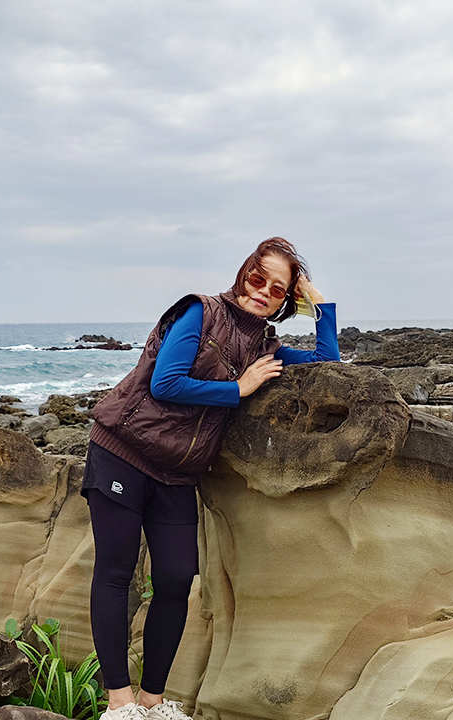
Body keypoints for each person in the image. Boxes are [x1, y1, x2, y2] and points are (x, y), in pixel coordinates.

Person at [82, 237, 340, 720]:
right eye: (257, 278)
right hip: (122, 452)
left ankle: (153, 702)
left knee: (177, 579)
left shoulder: (267, 347)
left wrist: (321, 303)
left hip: (178, 473)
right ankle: (119, 702)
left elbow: (329, 362)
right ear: (244, 273)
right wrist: (239, 388)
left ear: (287, 301)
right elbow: (166, 381)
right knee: (116, 572)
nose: (262, 291)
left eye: (278, 289)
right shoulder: (200, 313)